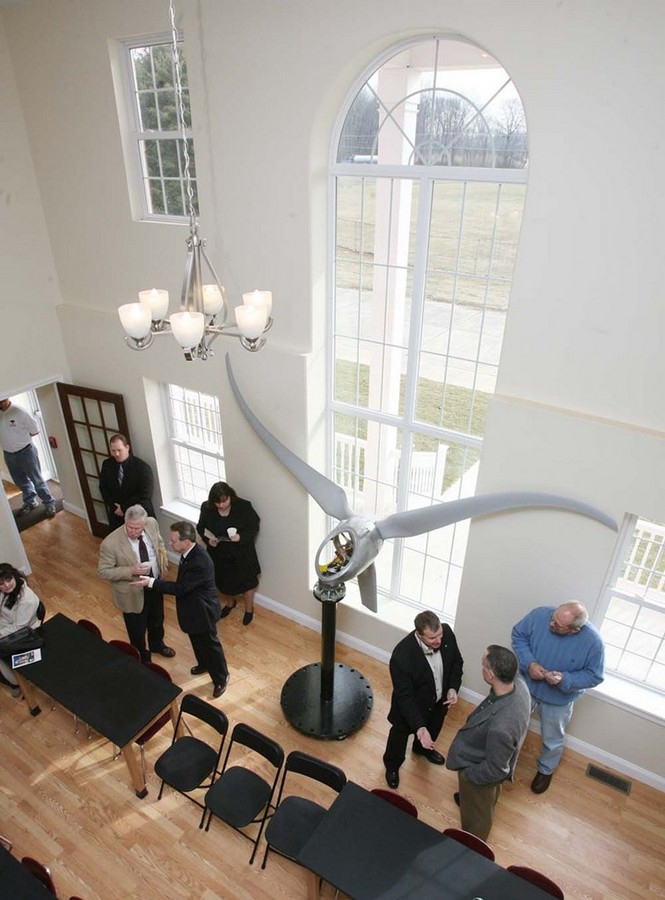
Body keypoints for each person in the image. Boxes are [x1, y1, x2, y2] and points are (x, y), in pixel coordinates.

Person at [512, 600, 604, 794]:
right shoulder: (540, 614)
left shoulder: (594, 643)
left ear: (574, 630)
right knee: (510, 724)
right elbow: (518, 635)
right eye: (553, 618)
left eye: (558, 625)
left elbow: (595, 675)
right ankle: (505, 759)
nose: (551, 624)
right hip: (526, 687)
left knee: (552, 739)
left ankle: (546, 770)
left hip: (558, 699)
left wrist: (565, 679)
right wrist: (529, 663)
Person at [133, 520, 229, 699]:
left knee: (210, 646)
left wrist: (151, 582)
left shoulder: (200, 561)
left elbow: (180, 588)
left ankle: (221, 677)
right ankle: (203, 664)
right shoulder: (188, 553)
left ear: (186, 541)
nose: (170, 543)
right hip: (193, 610)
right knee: (196, 640)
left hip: (203, 611)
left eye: (174, 540)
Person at [446, 645, 531, 840]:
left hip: (479, 768)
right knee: (483, 798)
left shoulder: (501, 728)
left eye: (483, 664)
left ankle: (473, 845)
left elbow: (495, 770)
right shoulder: (519, 685)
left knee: (478, 817)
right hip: (489, 751)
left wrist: (469, 776)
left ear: (491, 674)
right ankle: (470, 799)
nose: (481, 666)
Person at [383, 610, 463, 789]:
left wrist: (452, 688)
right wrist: (419, 728)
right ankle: (392, 766)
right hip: (410, 707)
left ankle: (421, 750)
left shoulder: (447, 633)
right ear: (419, 635)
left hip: (438, 703)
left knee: (433, 729)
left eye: (440, 635)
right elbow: (405, 697)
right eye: (433, 638)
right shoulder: (401, 656)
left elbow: (457, 662)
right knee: (398, 739)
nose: (439, 641)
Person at [98, 504, 175, 663]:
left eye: (138, 528)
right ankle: (142, 657)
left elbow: (159, 543)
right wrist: (131, 571)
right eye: (130, 527)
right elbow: (103, 571)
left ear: (144, 523)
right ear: (125, 521)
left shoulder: (152, 523)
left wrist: (163, 562)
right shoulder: (110, 543)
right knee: (137, 629)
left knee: (157, 619)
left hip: (154, 583)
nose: (133, 531)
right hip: (131, 592)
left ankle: (157, 644)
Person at [196, 481, 261, 626]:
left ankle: (249, 610)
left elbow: (254, 526)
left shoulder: (244, 506)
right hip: (219, 553)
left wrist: (240, 537)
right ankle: (230, 603)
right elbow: (201, 527)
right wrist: (208, 540)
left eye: (224, 501)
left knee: (247, 583)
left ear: (230, 496)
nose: (221, 505)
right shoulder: (207, 508)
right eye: (217, 503)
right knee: (225, 581)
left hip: (242, 553)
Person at [0, 398, 57, 518]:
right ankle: (30, 501)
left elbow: (34, 431)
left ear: (7, 398)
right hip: (9, 454)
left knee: (36, 479)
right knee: (20, 481)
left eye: (1, 401)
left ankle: (49, 503)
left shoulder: (20, 412)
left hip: (26, 452)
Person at [0, 563, 44, 697]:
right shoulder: (5, 592)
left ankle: (15, 683)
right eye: (1, 583)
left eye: (8, 579)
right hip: (6, 624)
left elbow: (19, 627)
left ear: (14, 576)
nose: (6, 585)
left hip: (23, 631)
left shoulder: (27, 600)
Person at [98, 433, 155, 530]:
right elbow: (103, 487)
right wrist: (114, 507)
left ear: (127, 447)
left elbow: (145, 494)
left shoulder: (142, 468)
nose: (116, 454)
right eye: (113, 451)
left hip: (139, 514)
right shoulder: (107, 464)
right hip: (116, 516)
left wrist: (124, 508)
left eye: (119, 450)